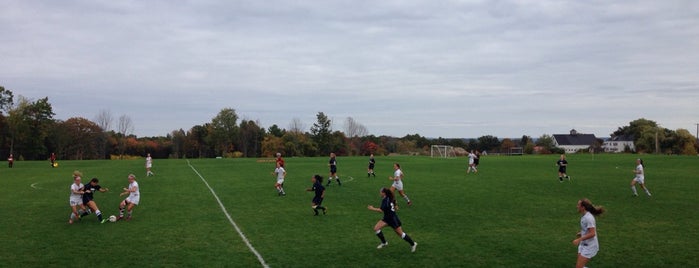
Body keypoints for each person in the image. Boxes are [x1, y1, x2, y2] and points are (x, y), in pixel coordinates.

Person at [367, 187, 418, 252]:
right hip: (387, 218)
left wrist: (372, 208)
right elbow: (394, 200)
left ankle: (413, 244)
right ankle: (384, 243)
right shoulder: (388, 197)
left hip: (393, 219)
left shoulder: (385, 200)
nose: (380, 193)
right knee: (376, 228)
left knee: (400, 234)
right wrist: (395, 205)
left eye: (380, 192)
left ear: (384, 193)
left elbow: (381, 210)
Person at [572, 198, 605, 268]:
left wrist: (579, 239)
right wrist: (581, 233)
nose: (577, 206)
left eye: (578, 205)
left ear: (583, 207)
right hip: (584, 244)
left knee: (579, 267)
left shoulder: (588, 218)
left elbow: (592, 233)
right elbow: (587, 230)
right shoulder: (584, 216)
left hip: (590, 246)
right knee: (580, 266)